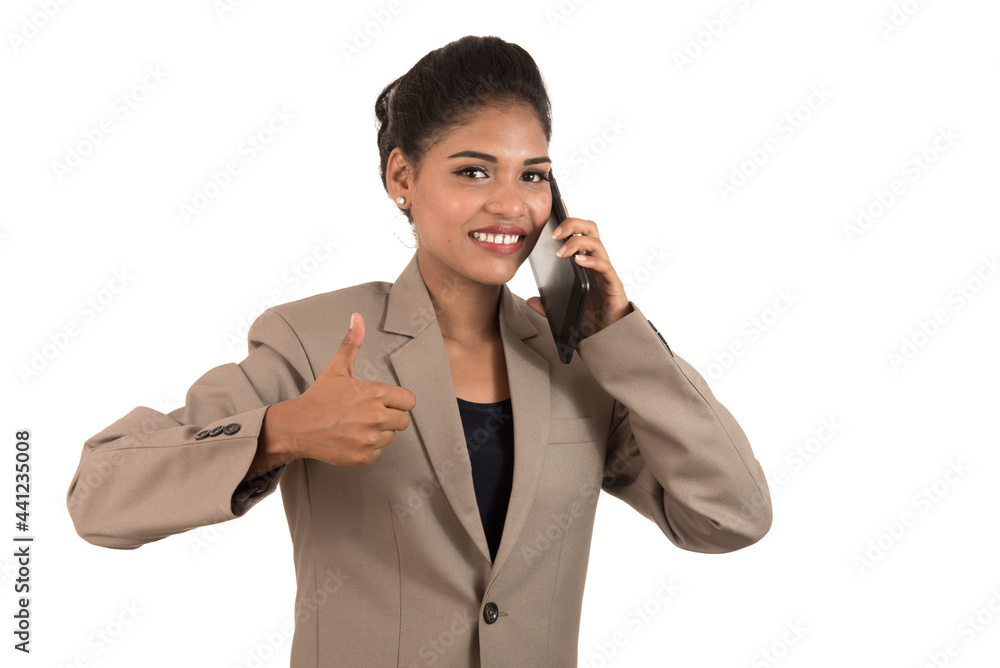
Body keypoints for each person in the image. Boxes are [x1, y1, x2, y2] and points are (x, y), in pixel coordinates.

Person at [66, 34, 772, 667]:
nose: (512, 204)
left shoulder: (582, 364)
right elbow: (98, 496)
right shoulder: (313, 341)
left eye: (533, 174)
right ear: (402, 178)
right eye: (473, 172)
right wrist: (283, 432)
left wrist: (621, 334)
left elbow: (731, 516)